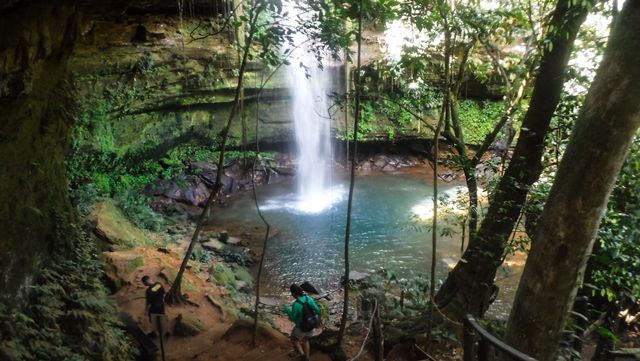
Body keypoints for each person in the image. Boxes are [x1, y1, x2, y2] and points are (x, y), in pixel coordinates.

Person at [283, 284, 320, 361]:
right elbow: (317, 310)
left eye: (291, 293)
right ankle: (307, 357)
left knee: (294, 340)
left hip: (301, 327)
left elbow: (292, 318)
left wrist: (286, 308)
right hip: (311, 325)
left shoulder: (296, 304)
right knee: (306, 340)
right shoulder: (308, 298)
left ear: (293, 294)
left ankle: (303, 356)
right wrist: (315, 321)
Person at [142, 275, 167, 361]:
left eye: (144, 283)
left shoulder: (148, 291)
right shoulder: (159, 284)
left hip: (154, 309)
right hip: (161, 307)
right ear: (150, 279)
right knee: (161, 318)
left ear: (145, 282)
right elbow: (164, 295)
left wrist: (145, 311)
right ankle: (162, 331)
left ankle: (155, 332)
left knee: (154, 320)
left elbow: (148, 303)